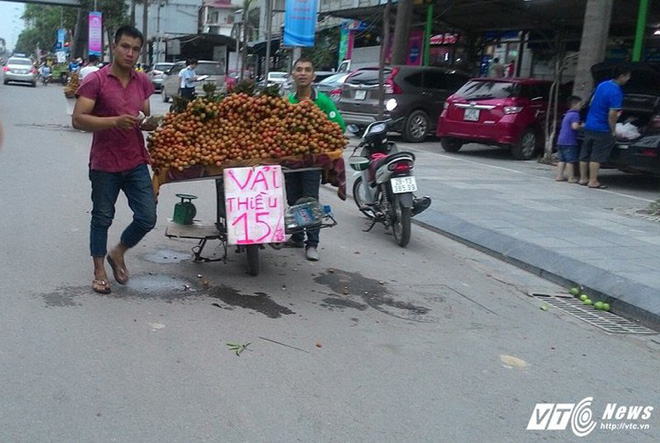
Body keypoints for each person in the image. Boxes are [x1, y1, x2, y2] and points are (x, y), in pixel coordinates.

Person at [72, 25, 158, 295]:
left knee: (147, 217)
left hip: (135, 160)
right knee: (102, 217)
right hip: (105, 163)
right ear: (113, 46)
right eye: (125, 46)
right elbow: (78, 119)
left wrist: (148, 124)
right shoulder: (96, 80)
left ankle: (118, 252)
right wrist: (114, 122)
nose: (130, 53)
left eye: (135, 49)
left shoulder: (142, 81)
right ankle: (99, 270)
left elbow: (144, 115)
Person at [285, 57, 346, 261]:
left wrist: (318, 135)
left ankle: (312, 243)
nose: (302, 73)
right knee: (293, 200)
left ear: (313, 76)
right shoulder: (289, 102)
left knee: (309, 201)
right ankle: (296, 237)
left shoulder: (322, 101)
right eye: (299, 70)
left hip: (312, 163)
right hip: (290, 162)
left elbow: (339, 127)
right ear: (293, 74)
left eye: (307, 70)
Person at [579, 64, 631, 189]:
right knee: (596, 156)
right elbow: (612, 114)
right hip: (602, 127)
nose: (628, 79)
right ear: (621, 76)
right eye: (628, 77)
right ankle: (593, 181)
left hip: (590, 124)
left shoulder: (602, 85)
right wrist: (613, 130)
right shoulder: (616, 92)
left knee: (585, 153)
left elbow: (591, 102)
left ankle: (583, 178)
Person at [555, 96, 583, 183]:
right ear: (574, 105)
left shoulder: (566, 114)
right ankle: (571, 177)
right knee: (570, 161)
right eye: (580, 104)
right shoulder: (575, 114)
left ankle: (559, 176)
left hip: (561, 140)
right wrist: (582, 125)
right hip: (570, 141)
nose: (581, 106)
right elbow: (574, 126)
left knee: (561, 160)